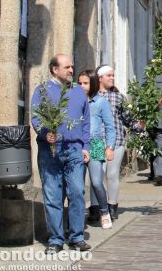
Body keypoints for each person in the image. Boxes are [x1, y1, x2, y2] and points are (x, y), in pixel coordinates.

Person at [31, 54, 91, 253]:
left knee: (76, 192)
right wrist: (45, 133)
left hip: (74, 149)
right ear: (54, 70)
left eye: (72, 67)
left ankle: (76, 237)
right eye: (67, 67)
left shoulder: (79, 92)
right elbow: (36, 117)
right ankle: (56, 239)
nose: (71, 71)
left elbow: (85, 122)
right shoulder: (42, 92)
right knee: (53, 195)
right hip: (50, 152)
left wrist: (86, 147)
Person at [95, 65, 142, 221]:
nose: (112, 78)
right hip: (96, 141)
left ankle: (112, 205)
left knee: (112, 174)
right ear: (99, 78)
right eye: (108, 75)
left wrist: (139, 126)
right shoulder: (92, 96)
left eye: (113, 75)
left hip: (117, 141)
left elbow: (128, 119)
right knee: (97, 175)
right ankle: (95, 208)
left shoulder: (119, 97)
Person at [78, 69, 116, 229]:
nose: (81, 86)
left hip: (95, 145)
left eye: (85, 83)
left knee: (96, 182)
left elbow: (110, 127)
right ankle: (77, 218)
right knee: (77, 185)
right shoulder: (75, 101)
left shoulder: (100, 102)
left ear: (93, 84)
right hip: (78, 145)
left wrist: (110, 147)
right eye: (79, 83)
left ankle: (104, 211)